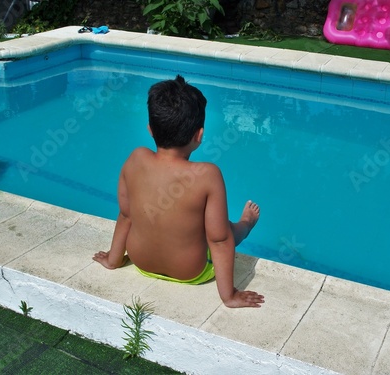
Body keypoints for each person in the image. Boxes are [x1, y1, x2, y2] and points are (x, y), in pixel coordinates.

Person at [93, 75, 264, 308]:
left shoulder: (136, 159)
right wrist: (229, 295)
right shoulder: (207, 175)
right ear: (199, 136)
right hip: (191, 272)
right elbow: (220, 239)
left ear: (150, 130)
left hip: (142, 262)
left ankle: (240, 223)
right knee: (227, 228)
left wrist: (113, 260)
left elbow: (126, 215)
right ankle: (246, 223)